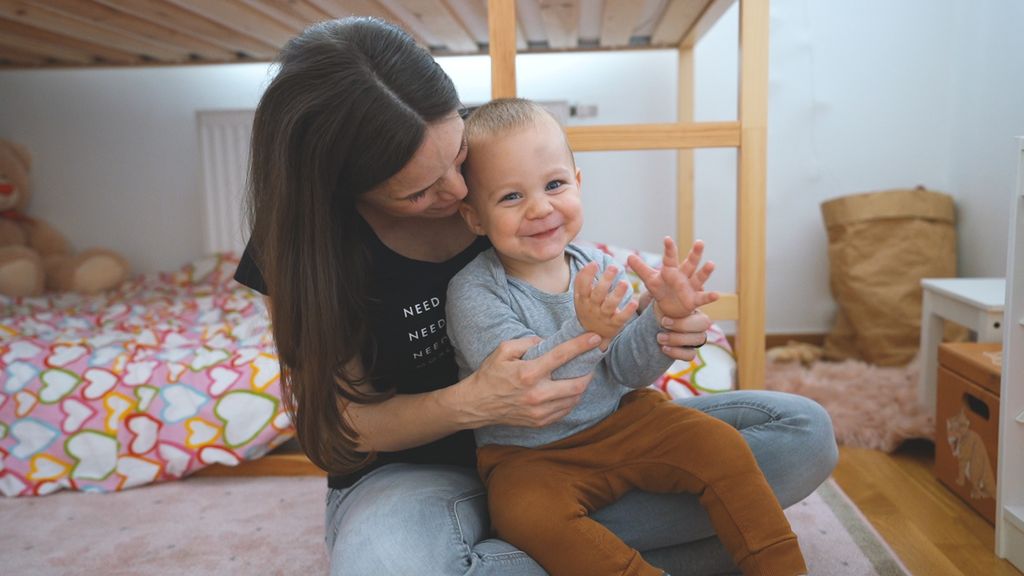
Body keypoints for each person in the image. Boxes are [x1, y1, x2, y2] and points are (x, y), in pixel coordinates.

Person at [233, 16, 838, 576]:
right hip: (419, 474)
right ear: (345, 191)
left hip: (591, 440)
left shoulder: (503, 160)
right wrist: (474, 403)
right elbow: (340, 428)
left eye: (458, 157)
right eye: (419, 192)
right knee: (388, 564)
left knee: (802, 434)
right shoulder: (305, 243)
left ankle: (548, 549)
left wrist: (659, 326)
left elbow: (619, 364)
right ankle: (568, 544)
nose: (456, 191)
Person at [447, 98, 807, 576]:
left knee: (721, 447)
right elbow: (527, 382)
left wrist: (661, 319)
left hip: (624, 421)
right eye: (510, 197)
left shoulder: (600, 268)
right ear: (474, 217)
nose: (540, 207)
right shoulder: (473, 290)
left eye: (554, 184)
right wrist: (588, 330)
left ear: (578, 183)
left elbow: (628, 372)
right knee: (523, 514)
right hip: (528, 455)